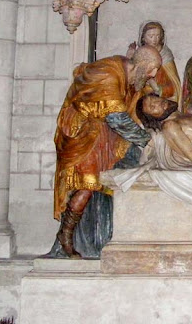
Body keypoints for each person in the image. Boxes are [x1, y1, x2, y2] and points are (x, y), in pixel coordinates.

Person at [52, 46, 162, 258]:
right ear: (142, 65)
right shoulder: (108, 73)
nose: (153, 75)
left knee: (121, 176)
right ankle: (65, 236)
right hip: (84, 133)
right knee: (86, 185)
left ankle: (109, 233)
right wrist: (149, 141)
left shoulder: (130, 75)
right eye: (152, 69)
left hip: (105, 136)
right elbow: (117, 118)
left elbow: (135, 104)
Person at [127, 21, 182, 108]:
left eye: (157, 36)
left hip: (160, 98)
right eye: (151, 36)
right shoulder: (140, 53)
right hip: (141, 95)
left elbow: (173, 85)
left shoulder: (165, 55)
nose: (155, 39)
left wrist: (156, 88)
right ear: (143, 38)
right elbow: (132, 79)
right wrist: (130, 56)